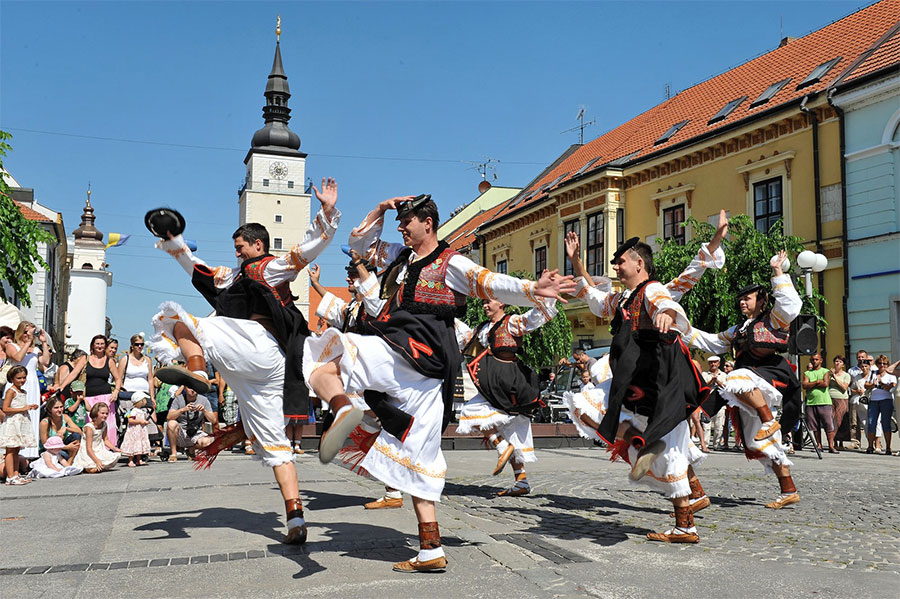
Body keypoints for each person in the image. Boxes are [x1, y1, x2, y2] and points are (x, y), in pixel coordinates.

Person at [305, 193, 575, 572]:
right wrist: (382, 207)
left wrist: (533, 290)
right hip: (420, 368)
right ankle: (431, 550)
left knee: (324, 355)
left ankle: (345, 406)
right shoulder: (400, 257)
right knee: (419, 454)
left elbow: (487, 281)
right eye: (399, 222)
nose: (402, 227)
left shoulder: (450, 262)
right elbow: (359, 243)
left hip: (418, 353)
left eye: (407, 221)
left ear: (427, 223)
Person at [146, 178, 340, 545]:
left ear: (258, 244)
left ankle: (199, 373)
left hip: (256, 344)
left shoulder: (267, 266)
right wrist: (175, 242)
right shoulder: (235, 274)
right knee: (276, 447)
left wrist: (326, 213)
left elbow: (306, 250)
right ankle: (296, 518)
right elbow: (198, 269)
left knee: (173, 320)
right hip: (269, 372)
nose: (237, 253)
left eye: (241, 247)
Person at [566, 232, 710, 544]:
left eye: (620, 262)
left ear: (639, 263)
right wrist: (576, 260)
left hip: (657, 381)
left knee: (671, 446)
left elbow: (665, 302)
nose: (615, 267)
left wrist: (667, 315)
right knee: (586, 407)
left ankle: (685, 526)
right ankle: (646, 449)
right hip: (631, 379)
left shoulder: (651, 289)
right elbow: (593, 297)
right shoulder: (622, 298)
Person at [684, 251, 802, 509]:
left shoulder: (774, 319)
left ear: (761, 301)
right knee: (755, 442)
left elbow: (792, 305)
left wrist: (778, 273)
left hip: (772, 377)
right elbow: (710, 341)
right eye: (740, 299)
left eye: (747, 298)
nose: (742, 303)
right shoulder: (739, 329)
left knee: (734, 376)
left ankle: (770, 420)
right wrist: (680, 327)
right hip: (752, 385)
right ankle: (789, 489)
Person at [456, 295, 557, 497]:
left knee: (471, 411)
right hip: (495, 383)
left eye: (488, 302)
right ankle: (521, 481)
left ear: (501, 303)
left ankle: (502, 446)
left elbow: (533, 318)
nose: (485, 306)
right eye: (483, 302)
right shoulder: (482, 328)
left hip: (510, 381)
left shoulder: (511, 322)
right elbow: (464, 338)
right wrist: (447, 317)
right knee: (509, 430)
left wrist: (547, 295)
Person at [56, 335, 122, 445]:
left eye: (102, 344)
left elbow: (118, 378)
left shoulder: (109, 361)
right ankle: (89, 449)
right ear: (92, 345)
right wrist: (62, 385)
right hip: (88, 398)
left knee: (105, 424)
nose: (100, 346)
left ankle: (106, 448)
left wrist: (116, 391)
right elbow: (74, 373)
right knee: (90, 425)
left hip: (105, 398)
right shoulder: (85, 358)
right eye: (97, 344)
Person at [1, 322, 52, 458]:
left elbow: (45, 362)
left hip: (32, 383)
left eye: (30, 332)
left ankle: (29, 453)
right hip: (17, 382)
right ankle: (14, 453)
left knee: (31, 415)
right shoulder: (12, 346)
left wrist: (44, 343)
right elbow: (18, 358)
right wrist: (26, 343)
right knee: (15, 417)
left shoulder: (35, 349)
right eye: (26, 332)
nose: (28, 335)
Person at [0, 365, 38, 485]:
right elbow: (5, 408)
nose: (22, 380)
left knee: (16, 449)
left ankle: (16, 474)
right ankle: (10, 476)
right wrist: (23, 408)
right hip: (12, 423)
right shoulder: (11, 391)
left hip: (21, 422)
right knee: (10, 450)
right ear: (12, 378)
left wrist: (29, 407)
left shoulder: (23, 391)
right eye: (19, 378)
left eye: (24, 378)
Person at [165, 388, 216, 461]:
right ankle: (173, 453)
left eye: (194, 387)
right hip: (181, 432)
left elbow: (213, 420)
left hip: (195, 432)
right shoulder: (178, 399)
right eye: (189, 388)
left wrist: (204, 411)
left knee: (208, 442)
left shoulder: (204, 400)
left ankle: (191, 450)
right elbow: (169, 416)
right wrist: (183, 409)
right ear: (185, 389)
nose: (193, 390)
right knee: (171, 423)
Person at [71, 403, 120, 472]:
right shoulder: (89, 427)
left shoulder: (104, 424)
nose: (105, 415)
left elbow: (106, 439)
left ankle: (97, 464)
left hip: (99, 449)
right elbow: (88, 448)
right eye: (102, 413)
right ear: (96, 413)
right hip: (88, 451)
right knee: (93, 469)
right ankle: (88, 467)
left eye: (106, 413)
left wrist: (115, 448)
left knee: (114, 457)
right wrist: (97, 461)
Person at [803, 353, 836, 453]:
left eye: (816, 359)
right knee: (814, 425)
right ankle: (819, 445)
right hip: (811, 402)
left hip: (824, 402)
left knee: (828, 425)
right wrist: (817, 382)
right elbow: (804, 385)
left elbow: (825, 384)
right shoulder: (807, 373)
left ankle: (831, 445)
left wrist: (811, 384)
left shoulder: (825, 371)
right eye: (813, 360)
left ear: (821, 360)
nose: (814, 361)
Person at [865, 354, 896, 456]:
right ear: (877, 364)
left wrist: (881, 383)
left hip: (886, 400)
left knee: (886, 424)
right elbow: (866, 385)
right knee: (871, 423)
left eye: (884, 363)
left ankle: (888, 447)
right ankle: (870, 446)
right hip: (874, 400)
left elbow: (891, 388)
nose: (882, 365)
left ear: (887, 365)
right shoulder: (872, 373)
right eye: (880, 363)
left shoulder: (891, 375)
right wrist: (873, 384)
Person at [702, 357, 727, 450]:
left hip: (719, 402)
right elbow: (703, 386)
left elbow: (726, 387)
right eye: (711, 363)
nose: (713, 364)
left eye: (715, 362)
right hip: (706, 403)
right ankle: (705, 444)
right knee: (706, 425)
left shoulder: (723, 375)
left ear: (718, 364)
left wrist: (717, 381)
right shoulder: (704, 374)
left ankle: (716, 444)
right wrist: (711, 381)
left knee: (719, 425)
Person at [121, 393, 152, 466]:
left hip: (140, 431)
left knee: (139, 445)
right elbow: (130, 420)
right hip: (134, 431)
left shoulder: (142, 410)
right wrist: (140, 421)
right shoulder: (134, 411)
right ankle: (131, 460)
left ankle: (139, 459)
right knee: (133, 444)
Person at [828, 355, 851, 451]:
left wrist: (835, 377)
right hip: (830, 398)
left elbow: (844, 387)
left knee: (840, 420)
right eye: (836, 361)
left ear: (843, 365)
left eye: (839, 362)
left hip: (841, 399)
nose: (837, 363)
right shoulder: (830, 374)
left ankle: (841, 441)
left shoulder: (846, 375)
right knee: (831, 420)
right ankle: (833, 442)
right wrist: (830, 376)